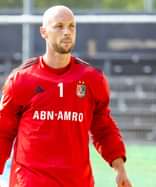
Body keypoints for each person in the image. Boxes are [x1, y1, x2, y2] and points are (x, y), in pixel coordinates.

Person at [0, 5, 132, 187]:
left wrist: (120, 169)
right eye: (59, 26)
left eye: (71, 26)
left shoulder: (92, 79)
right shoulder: (21, 80)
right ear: (43, 32)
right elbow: (3, 133)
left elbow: (104, 127)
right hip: (30, 182)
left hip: (77, 182)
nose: (67, 32)